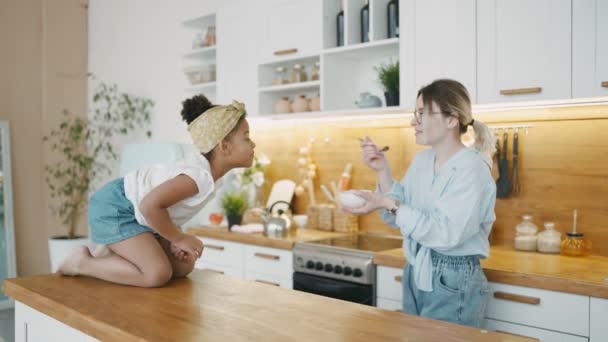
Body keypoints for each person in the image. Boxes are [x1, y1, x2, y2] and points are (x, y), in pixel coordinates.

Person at [58, 95, 256, 287]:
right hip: (116, 208)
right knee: (157, 274)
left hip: (137, 214)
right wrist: (178, 237)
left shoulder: (210, 177)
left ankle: (111, 254)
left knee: (183, 266)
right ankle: (82, 263)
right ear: (224, 146)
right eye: (246, 137)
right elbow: (149, 205)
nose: (253, 143)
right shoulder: (197, 176)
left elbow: (164, 210)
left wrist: (172, 239)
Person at [345, 79, 496, 327]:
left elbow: (446, 234)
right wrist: (382, 171)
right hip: (415, 269)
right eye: (416, 113)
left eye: (423, 113)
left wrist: (388, 203)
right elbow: (397, 215)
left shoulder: (472, 169)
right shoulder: (423, 160)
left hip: (453, 278)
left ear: (451, 119)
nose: (413, 121)